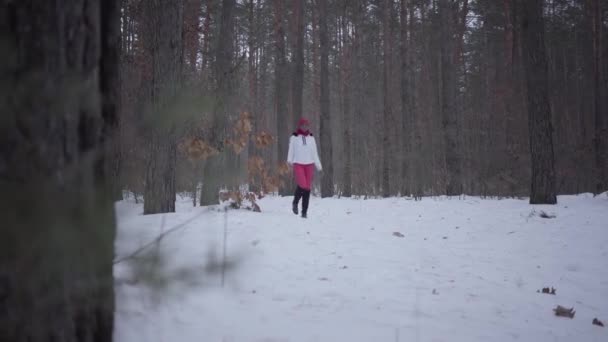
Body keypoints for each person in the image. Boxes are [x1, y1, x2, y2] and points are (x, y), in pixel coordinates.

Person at [287, 118, 322, 218]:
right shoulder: (294, 137)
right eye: (303, 125)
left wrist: (319, 167)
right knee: (302, 184)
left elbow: (315, 154)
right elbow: (291, 151)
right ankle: (295, 202)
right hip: (298, 163)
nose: (304, 127)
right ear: (299, 126)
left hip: (309, 164)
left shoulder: (311, 138)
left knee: (307, 188)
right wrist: (289, 161)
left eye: (306, 125)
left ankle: (304, 212)